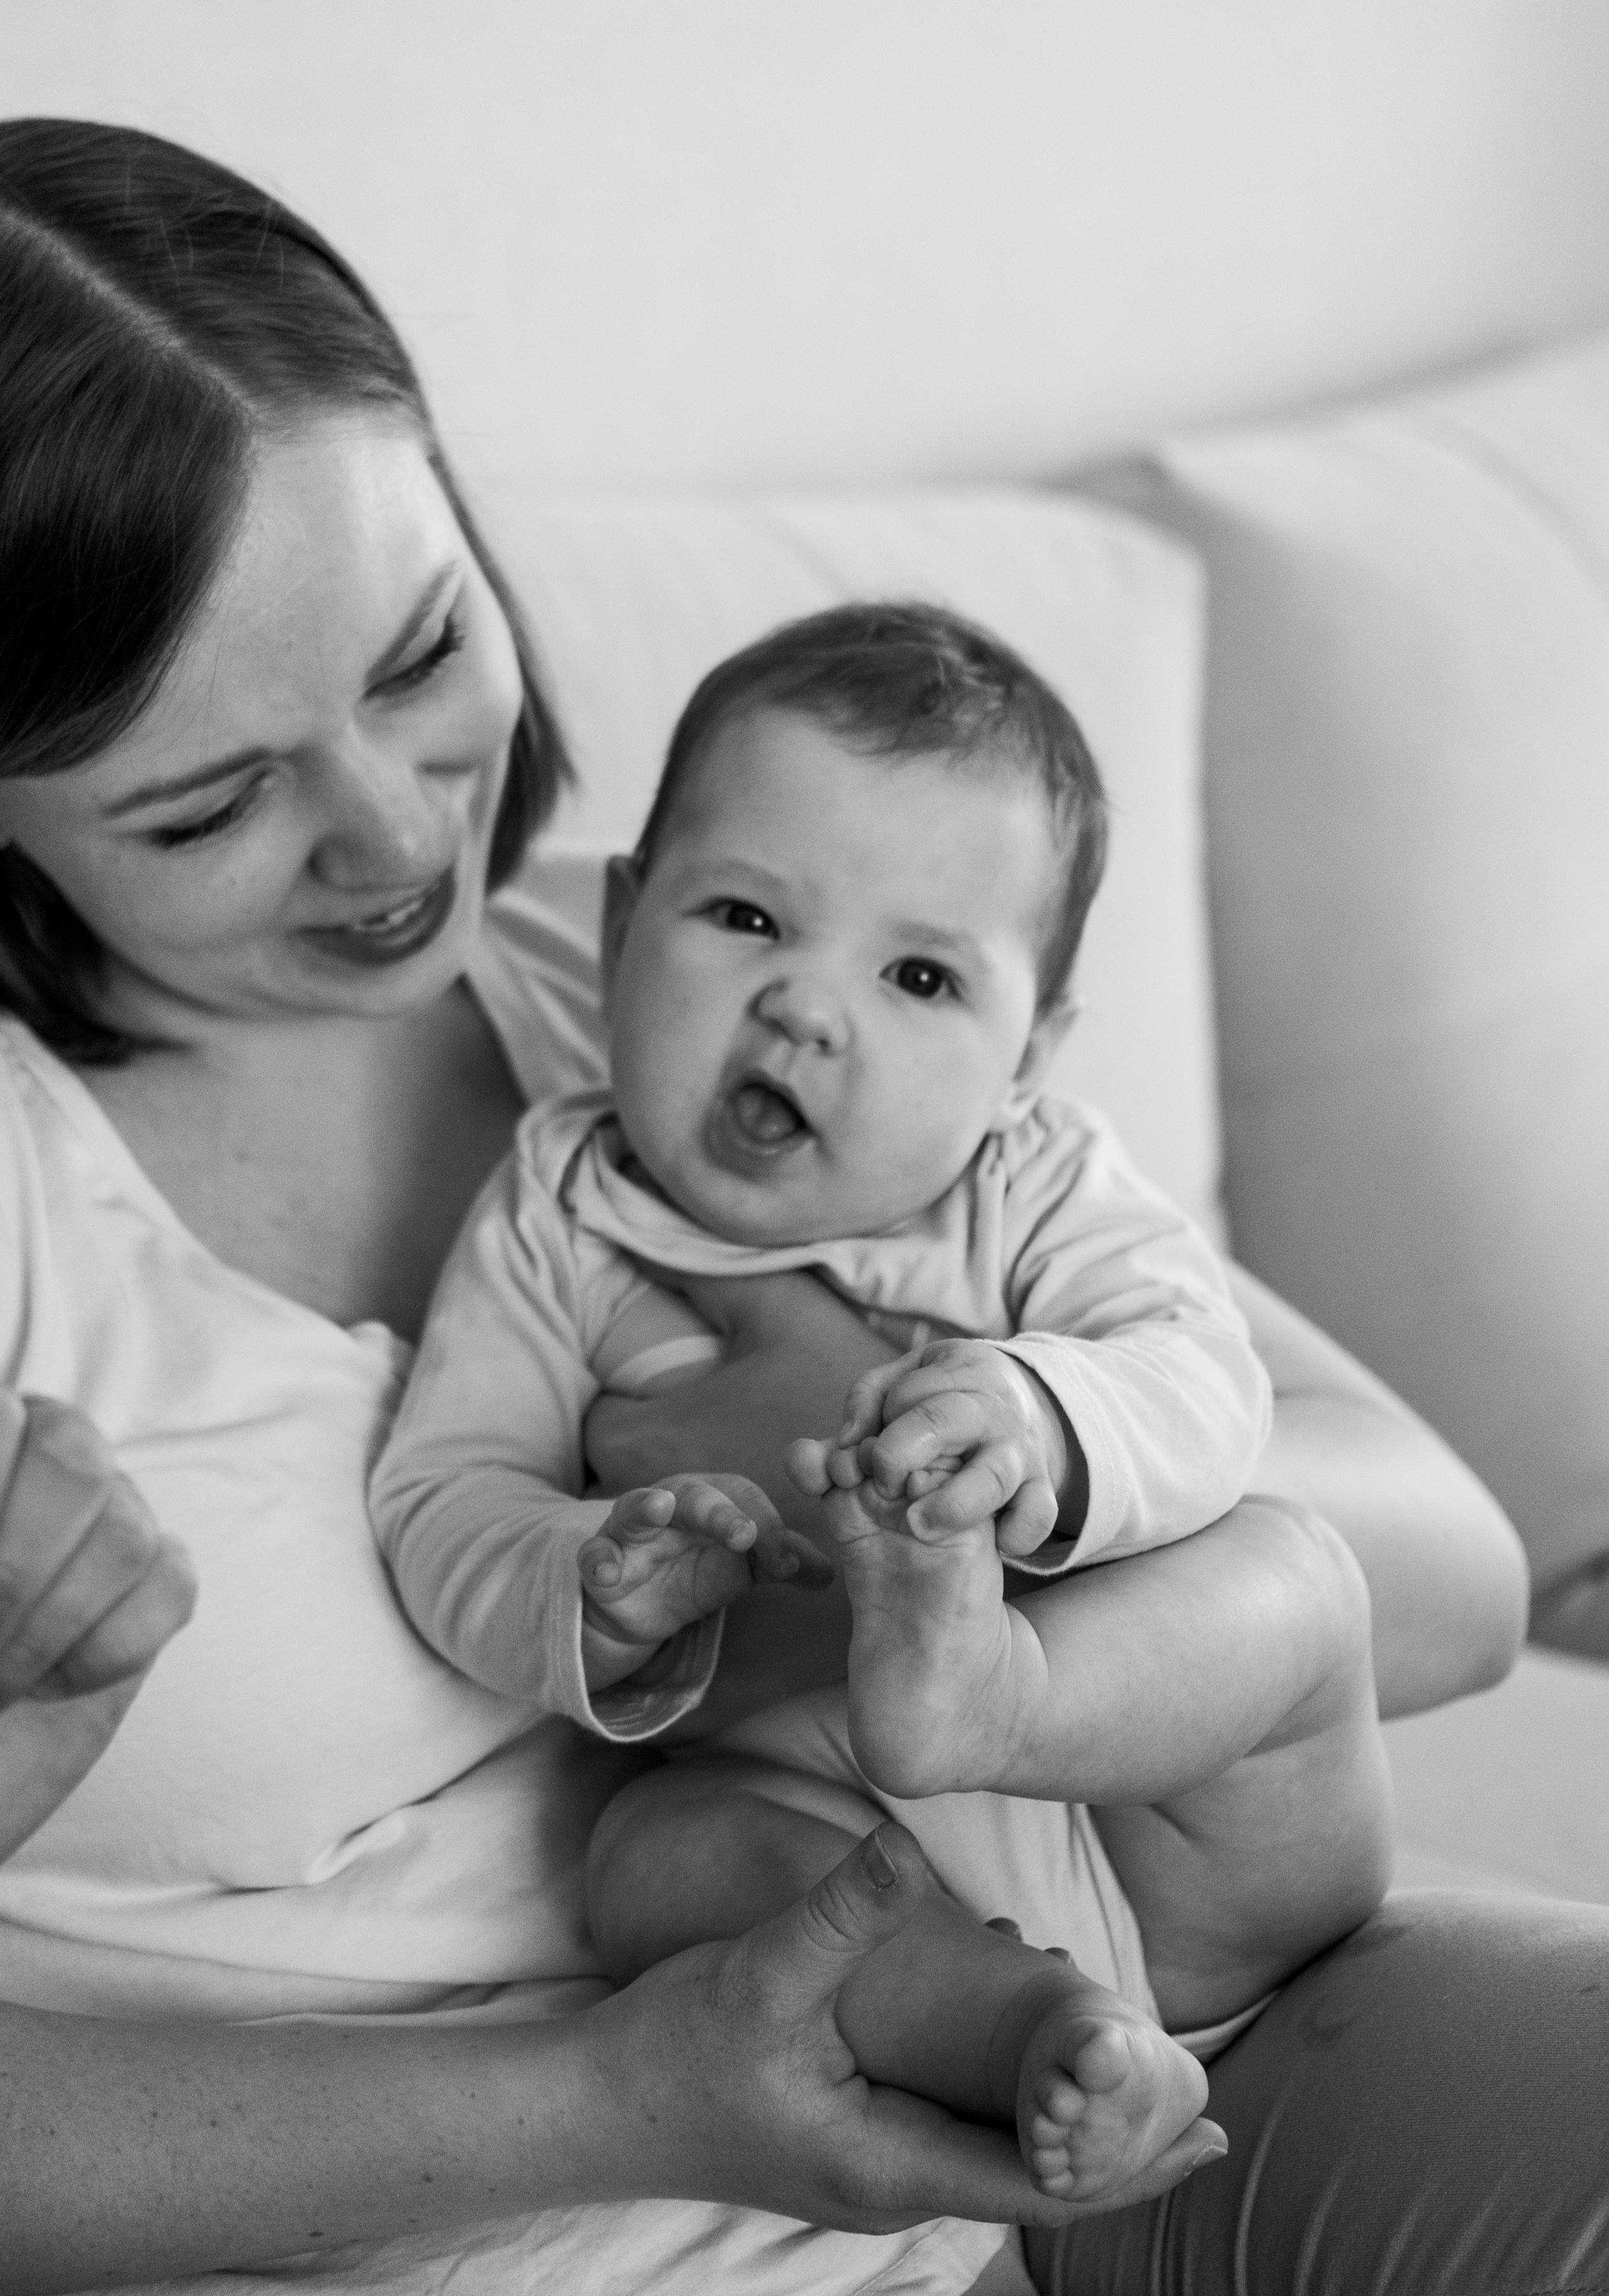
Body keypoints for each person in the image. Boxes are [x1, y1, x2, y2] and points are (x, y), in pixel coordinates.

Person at [0, 112, 1603, 2296]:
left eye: (415, 657)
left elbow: (1431, 1564)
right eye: (206, 804)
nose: (393, 845)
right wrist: (628, 2094)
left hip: (1156, 2045)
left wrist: (952, 1479)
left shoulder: (683, 962)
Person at [369, 599, 1391, 2208]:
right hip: (846, 1827)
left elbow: (1200, 1377)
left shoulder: (1038, 1182)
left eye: (918, 974)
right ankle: (1037, 2034)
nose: (805, 1009)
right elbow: (446, 1492)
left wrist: (1036, 1410)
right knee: (651, 1865)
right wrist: (587, 1580)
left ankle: (986, 1691)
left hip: (1184, 1847)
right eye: (744, 920)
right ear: (626, 917)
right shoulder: (559, 1209)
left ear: (1026, 1054)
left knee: (1292, 1580)